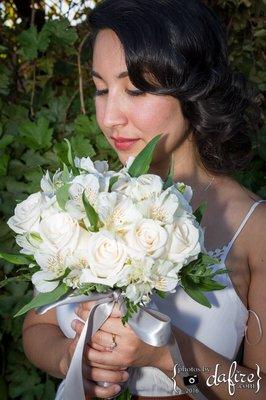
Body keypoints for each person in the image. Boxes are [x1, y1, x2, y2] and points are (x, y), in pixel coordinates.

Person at [22, 0, 266, 399]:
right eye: (102, 89)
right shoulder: (93, 200)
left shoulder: (255, 231)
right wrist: (71, 361)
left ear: (192, 89)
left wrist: (167, 356)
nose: (109, 117)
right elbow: (37, 328)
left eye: (135, 89)